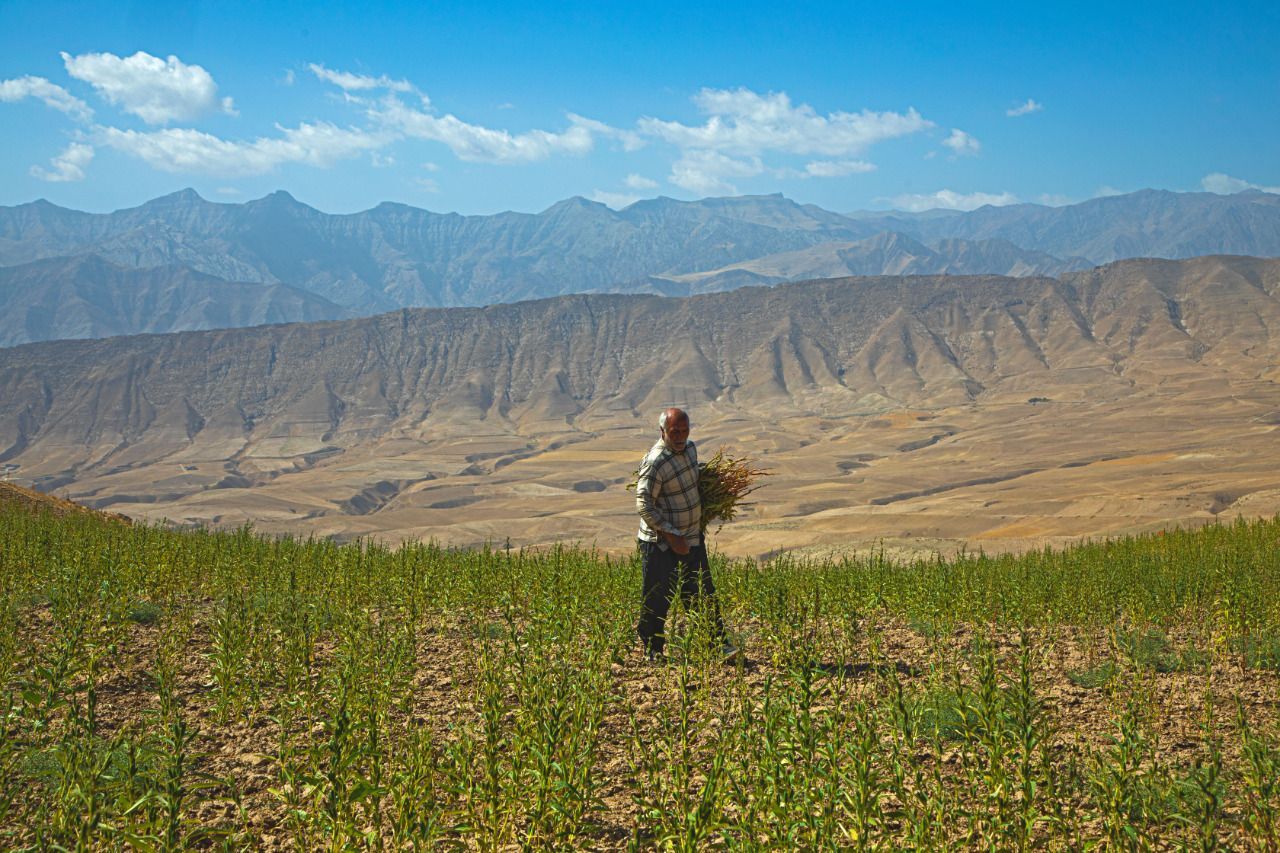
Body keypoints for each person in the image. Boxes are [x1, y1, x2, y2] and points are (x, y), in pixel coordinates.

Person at [634, 407, 738, 663]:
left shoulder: (690, 449)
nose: (680, 436)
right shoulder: (655, 462)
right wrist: (671, 535)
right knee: (658, 597)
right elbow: (644, 503)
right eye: (674, 432)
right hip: (661, 544)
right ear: (663, 432)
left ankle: (717, 646)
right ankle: (653, 650)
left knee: (702, 592)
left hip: (692, 537)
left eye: (684, 430)